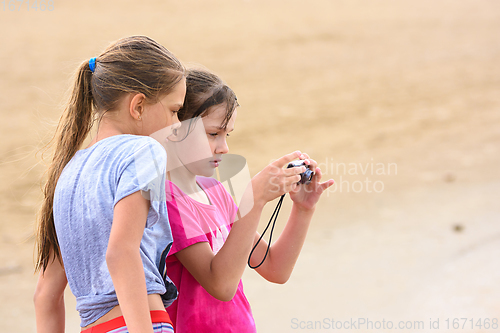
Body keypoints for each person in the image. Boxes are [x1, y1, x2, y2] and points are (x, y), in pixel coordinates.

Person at [162, 68, 335, 332]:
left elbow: (275, 268)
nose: (224, 147)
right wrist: (253, 199)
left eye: (226, 135)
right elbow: (220, 284)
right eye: (213, 134)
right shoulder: (169, 200)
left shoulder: (215, 190)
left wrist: (302, 209)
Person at [33, 36, 186, 333]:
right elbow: (120, 252)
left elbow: (45, 295)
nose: (177, 123)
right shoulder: (144, 151)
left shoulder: (67, 172)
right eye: (173, 110)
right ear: (138, 106)